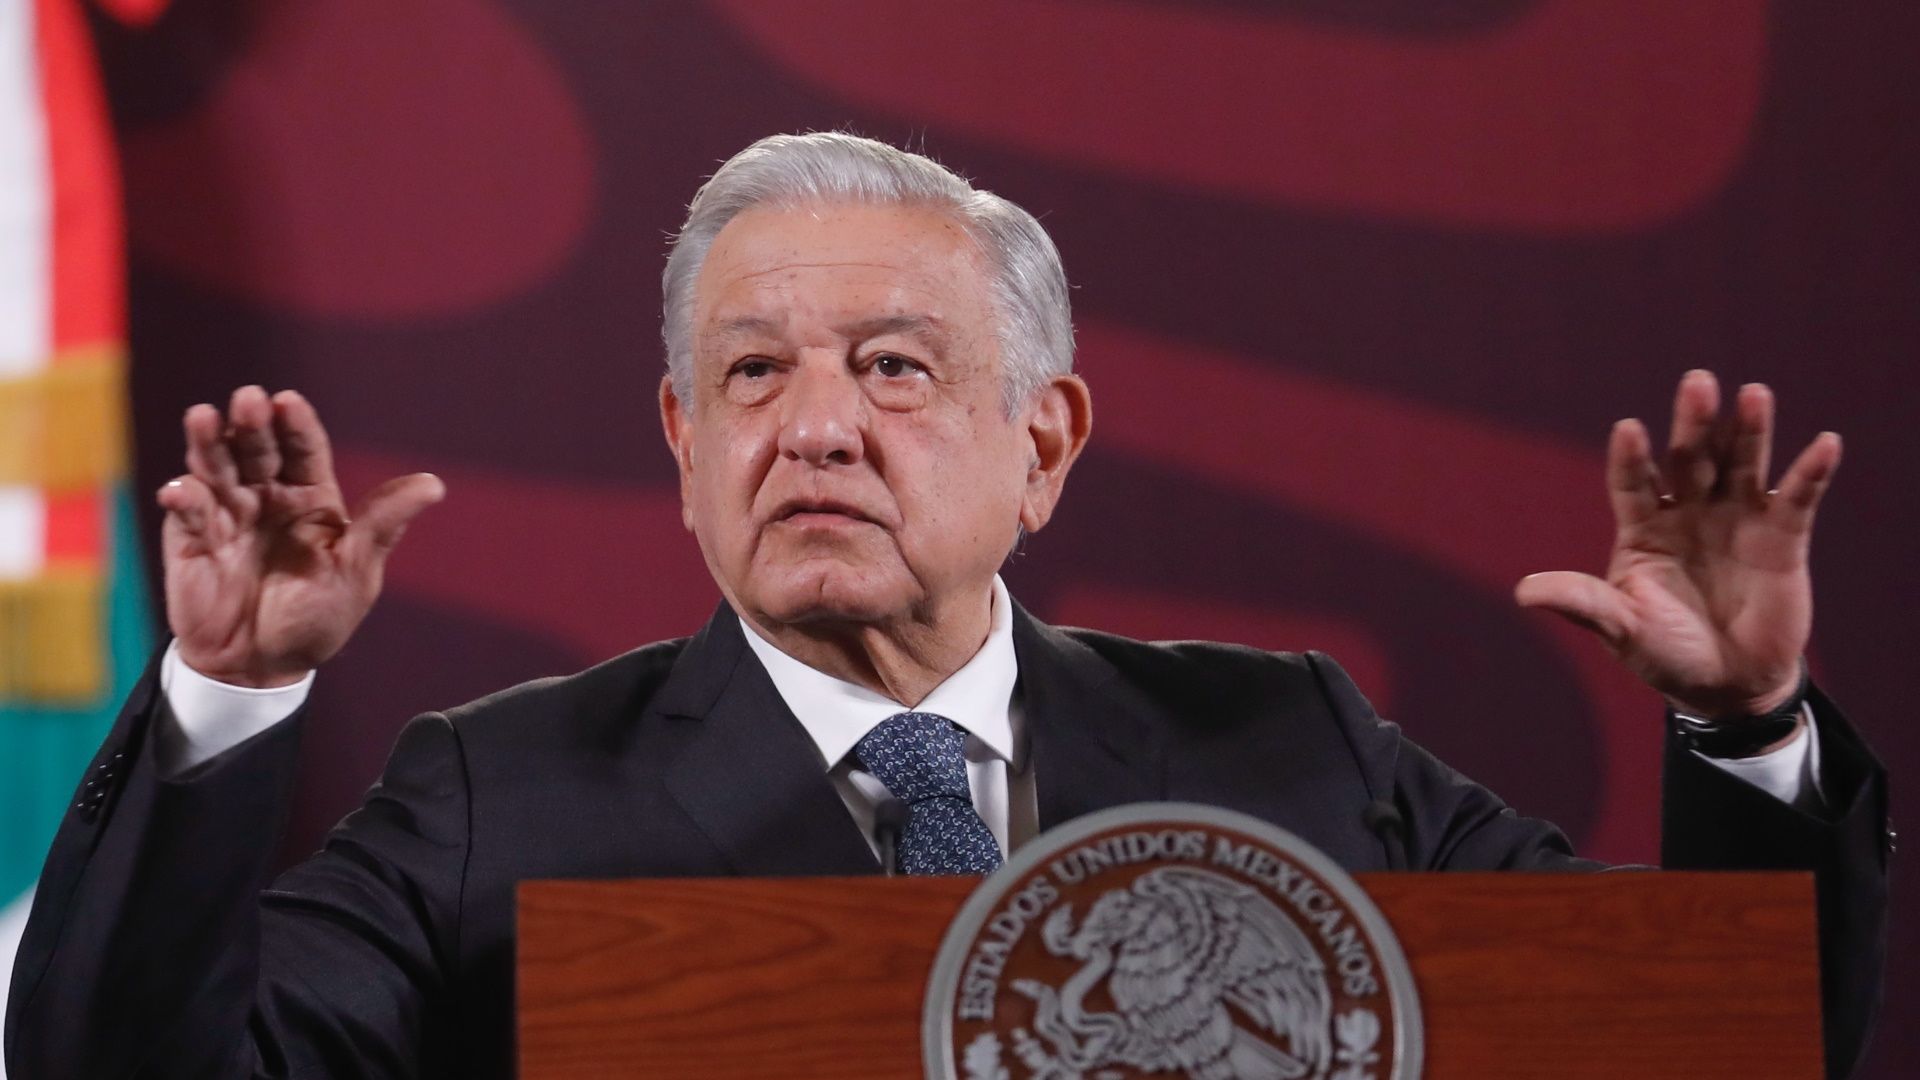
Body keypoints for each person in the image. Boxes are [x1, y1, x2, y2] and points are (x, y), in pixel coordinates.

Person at [4, 133, 1887, 1079]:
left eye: (894, 368)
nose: (814, 426)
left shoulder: (1290, 749)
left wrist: (1746, 732)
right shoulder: (495, 798)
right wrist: (225, 698)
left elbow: (1721, 1039)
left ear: (1042, 443)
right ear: (684, 445)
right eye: (752, 375)